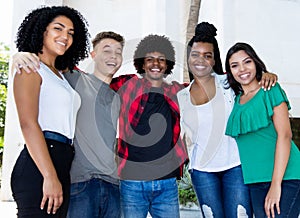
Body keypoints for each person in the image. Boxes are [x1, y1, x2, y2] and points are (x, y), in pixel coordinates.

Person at [12, 31, 124, 218]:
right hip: (81, 183)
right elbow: (46, 66)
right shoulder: (72, 78)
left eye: (119, 52)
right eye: (107, 50)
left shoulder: (117, 97)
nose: (113, 56)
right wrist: (21, 55)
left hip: (113, 185)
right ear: (93, 55)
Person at [177, 22, 278, 218]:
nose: (201, 60)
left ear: (214, 60)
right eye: (195, 55)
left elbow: (252, 82)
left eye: (208, 55)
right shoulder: (181, 95)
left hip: (235, 166)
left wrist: (265, 74)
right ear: (188, 59)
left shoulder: (228, 82)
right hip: (202, 171)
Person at [10, 5, 89, 218]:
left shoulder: (60, 75)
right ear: (41, 30)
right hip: (41, 164)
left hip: (62, 160)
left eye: (70, 33)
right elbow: (28, 123)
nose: (65, 36)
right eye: (58, 28)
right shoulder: (30, 67)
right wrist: (49, 176)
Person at [110, 34, 188, 218]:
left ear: (167, 64)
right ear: (142, 64)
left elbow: (209, 84)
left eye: (161, 59)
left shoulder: (177, 91)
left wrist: (260, 75)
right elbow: (95, 81)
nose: (156, 63)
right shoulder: (128, 84)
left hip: (167, 183)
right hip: (132, 182)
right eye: (150, 59)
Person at [225, 42, 300, 218]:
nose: (242, 69)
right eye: (235, 65)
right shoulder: (236, 100)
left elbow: (285, 135)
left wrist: (276, 184)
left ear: (256, 62)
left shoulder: (270, 89)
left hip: (286, 177)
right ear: (229, 72)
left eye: (247, 62)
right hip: (254, 181)